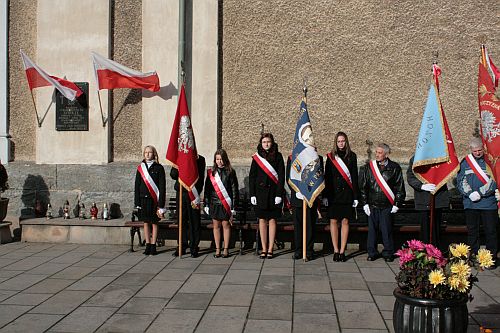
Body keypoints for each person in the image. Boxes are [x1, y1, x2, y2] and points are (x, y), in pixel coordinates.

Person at [359, 143, 405, 262]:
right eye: (376, 152)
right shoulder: (369, 167)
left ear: (386, 154)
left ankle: (388, 252)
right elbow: (363, 187)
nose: (377, 155)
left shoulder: (394, 167)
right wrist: (364, 203)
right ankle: (372, 252)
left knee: (387, 230)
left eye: (380, 153)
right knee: (372, 231)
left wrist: (397, 204)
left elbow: (400, 188)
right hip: (372, 205)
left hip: (387, 206)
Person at [457, 137, 498, 268]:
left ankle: (490, 259)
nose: (478, 153)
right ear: (471, 150)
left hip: (488, 203)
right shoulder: (465, 162)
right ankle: (473, 257)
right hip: (471, 203)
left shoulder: (490, 161)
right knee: (472, 231)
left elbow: (494, 180)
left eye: (480, 150)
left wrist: (480, 192)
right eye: (475, 151)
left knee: (490, 232)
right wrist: (470, 193)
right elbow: (461, 180)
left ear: (483, 149)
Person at [323, 132, 359, 262]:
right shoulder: (331, 157)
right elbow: (327, 177)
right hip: (333, 194)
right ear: (336, 142)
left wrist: (356, 196)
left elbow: (354, 177)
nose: (341, 143)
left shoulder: (352, 156)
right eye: (339, 141)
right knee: (333, 221)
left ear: (346, 142)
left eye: (343, 141)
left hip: (347, 194)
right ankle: (335, 250)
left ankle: (343, 251)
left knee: (345, 221)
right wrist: (325, 196)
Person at [249, 133, 285, 259]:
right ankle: (263, 248)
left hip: (274, 194)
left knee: (272, 220)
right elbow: (252, 177)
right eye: (264, 142)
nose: (266, 144)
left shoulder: (278, 156)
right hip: (260, 194)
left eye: (268, 142)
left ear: (272, 142)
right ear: (261, 143)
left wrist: (279, 194)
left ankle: (271, 249)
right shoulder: (256, 157)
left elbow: (281, 176)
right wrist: (252, 194)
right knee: (262, 221)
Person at [407, 155, 449, 248]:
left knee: (436, 229)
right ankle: (424, 252)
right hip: (423, 199)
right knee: (425, 230)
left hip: (437, 199)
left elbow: (447, 171)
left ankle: (436, 252)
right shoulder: (415, 158)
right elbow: (410, 177)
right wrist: (421, 186)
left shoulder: (441, 156)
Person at [286, 154, 323, 261]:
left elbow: (319, 177)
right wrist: (297, 191)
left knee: (310, 225)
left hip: (310, 197)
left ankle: (309, 250)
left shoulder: (317, 157)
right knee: (298, 226)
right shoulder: (292, 158)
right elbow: (289, 177)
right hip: (297, 197)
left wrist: (309, 191)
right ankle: (298, 250)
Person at [203, 149, 239, 258]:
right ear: (215, 160)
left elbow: (234, 190)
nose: (220, 161)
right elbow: (207, 190)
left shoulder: (230, 172)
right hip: (214, 203)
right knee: (216, 226)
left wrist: (233, 206)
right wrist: (206, 204)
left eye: (221, 159)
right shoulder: (211, 173)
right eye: (217, 159)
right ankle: (217, 249)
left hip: (226, 204)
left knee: (226, 225)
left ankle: (226, 249)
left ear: (225, 159)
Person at [170, 155, 206, 258]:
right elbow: (173, 175)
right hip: (181, 192)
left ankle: (194, 246)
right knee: (181, 220)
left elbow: (201, 178)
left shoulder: (200, 159)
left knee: (194, 221)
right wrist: (178, 165)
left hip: (193, 194)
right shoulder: (179, 157)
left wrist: (196, 193)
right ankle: (181, 245)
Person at [134, 145, 166, 256]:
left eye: (150, 152)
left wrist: (161, 205)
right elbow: (137, 186)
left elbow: (162, 187)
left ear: (154, 154)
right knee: (146, 222)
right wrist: (137, 203)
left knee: (154, 222)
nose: (148, 154)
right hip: (143, 199)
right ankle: (147, 244)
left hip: (154, 200)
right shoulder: (140, 168)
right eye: (146, 152)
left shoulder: (159, 168)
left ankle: (153, 246)